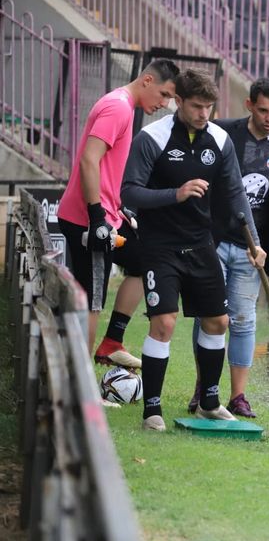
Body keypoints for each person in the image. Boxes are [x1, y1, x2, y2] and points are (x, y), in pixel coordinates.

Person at [120, 69, 265, 431]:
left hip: (201, 244)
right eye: (197, 106)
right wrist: (176, 194)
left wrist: (256, 244)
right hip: (160, 246)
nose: (204, 114)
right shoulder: (150, 138)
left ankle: (210, 403)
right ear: (179, 102)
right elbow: (130, 193)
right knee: (164, 324)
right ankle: (151, 409)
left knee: (219, 322)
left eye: (209, 107)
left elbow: (235, 195)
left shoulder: (219, 139)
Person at [187, 77, 269, 418]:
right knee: (210, 315)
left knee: (243, 318)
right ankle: (204, 387)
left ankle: (238, 397)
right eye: (263, 110)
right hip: (214, 239)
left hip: (256, 250)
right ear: (249, 105)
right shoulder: (222, 133)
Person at [57, 59, 179, 367]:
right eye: (163, 95)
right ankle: (82, 388)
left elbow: (104, 167)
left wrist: (116, 207)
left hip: (105, 214)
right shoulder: (119, 108)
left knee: (142, 260)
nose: (164, 104)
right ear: (147, 80)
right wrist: (97, 216)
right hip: (87, 219)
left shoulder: (122, 104)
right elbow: (88, 160)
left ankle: (111, 343)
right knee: (92, 301)